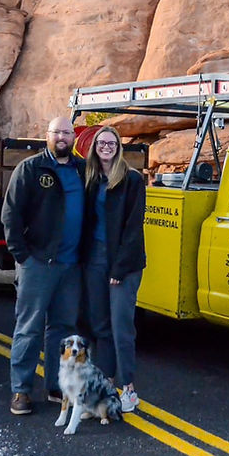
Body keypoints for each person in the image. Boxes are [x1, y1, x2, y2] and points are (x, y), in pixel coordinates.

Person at [1, 116, 85, 416]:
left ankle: (55, 386)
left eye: (66, 132)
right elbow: (10, 214)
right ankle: (21, 391)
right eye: (56, 132)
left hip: (70, 265)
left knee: (61, 330)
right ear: (46, 135)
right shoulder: (31, 168)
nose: (61, 137)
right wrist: (21, 255)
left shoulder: (81, 169)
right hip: (38, 262)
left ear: (74, 137)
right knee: (29, 328)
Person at [81, 125, 147, 413]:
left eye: (111, 143)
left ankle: (129, 388)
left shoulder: (132, 180)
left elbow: (134, 229)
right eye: (101, 142)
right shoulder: (90, 178)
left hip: (123, 262)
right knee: (100, 325)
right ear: (94, 146)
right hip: (94, 258)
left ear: (119, 147)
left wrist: (119, 269)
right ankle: (106, 383)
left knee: (122, 327)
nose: (106, 147)